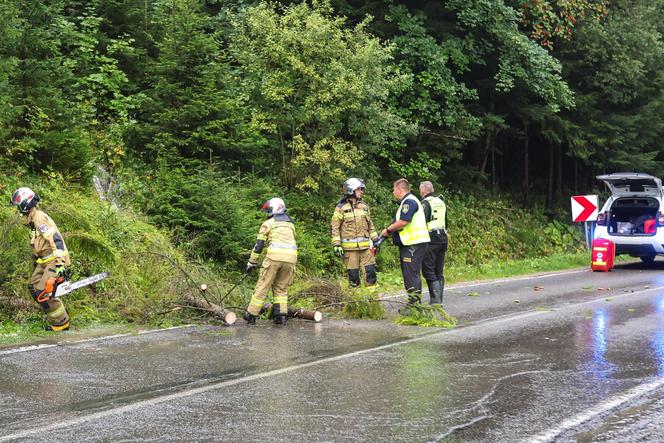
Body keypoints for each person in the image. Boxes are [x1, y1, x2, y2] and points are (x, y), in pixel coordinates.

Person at [10, 187, 70, 331]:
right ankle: (59, 318)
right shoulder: (31, 219)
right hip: (43, 261)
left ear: (25, 204)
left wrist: (60, 264)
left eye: (19, 206)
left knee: (44, 292)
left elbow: (55, 240)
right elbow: (39, 244)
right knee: (34, 289)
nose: (18, 209)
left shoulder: (38, 218)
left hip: (54, 261)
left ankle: (62, 322)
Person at [244, 197, 297, 326]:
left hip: (274, 259)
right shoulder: (290, 224)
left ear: (274, 209)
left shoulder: (268, 224)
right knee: (281, 289)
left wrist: (252, 262)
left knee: (263, 286)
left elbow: (259, 246)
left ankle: (251, 315)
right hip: (291, 260)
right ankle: (281, 318)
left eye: (268, 210)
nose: (267, 213)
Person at [379, 178, 430, 311]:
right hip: (412, 244)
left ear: (400, 189)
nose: (393, 192)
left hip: (413, 244)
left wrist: (387, 230)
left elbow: (403, 222)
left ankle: (414, 306)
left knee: (411, 275)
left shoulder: (409, 202)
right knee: (411, 274)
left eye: (394, 189)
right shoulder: (407, 201)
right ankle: (414, 304)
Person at [331, 178, 379, 287]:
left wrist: (376, 240)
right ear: (350, 190)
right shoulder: (340, 208)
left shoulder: (364, 207)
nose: (362, 191)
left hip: (365, 248)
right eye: (359, 189)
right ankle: (356, 303)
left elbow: (370, 225)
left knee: (371, 274)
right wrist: (336, 244)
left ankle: (373, 302)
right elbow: (335, 227)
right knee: (354, 278)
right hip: (350, 250)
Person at [419, 181, 448, 305]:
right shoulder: (441, 202)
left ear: (423, 191)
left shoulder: (426, 203)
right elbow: (446, 222)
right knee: (438, 271)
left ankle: (435, 301)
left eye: (420, 190)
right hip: (443, 238)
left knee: (428, 270)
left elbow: (421, 221)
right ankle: (439, 300)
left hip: (431, 239)